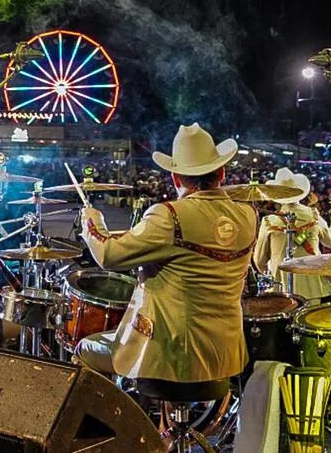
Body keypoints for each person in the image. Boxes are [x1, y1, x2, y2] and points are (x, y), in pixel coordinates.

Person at [79, 123, 258, 385]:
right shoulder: (249, 215)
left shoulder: (169, 215)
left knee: (85, 347)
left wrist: (92, 222)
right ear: (221, 172)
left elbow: (108, 255)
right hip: (227, 356)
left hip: (172, 357)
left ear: (175, 178)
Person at [252, 168, 331, 302]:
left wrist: (271, 271)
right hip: (313, 286)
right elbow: (330, 242)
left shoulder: (269, 221)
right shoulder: (314, 215)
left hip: (281, 287)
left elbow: (259, 260)